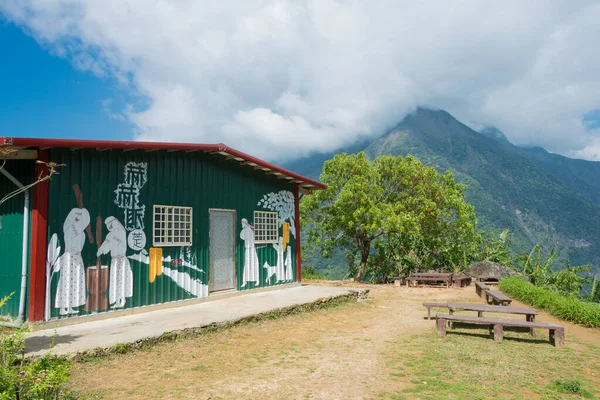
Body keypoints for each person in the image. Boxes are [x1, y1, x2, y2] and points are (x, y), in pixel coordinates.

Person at [54, 208, 90, 315]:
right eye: (76, 216)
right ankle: (62, 307)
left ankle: (70, 306)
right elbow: (69, 242)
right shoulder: (69, 229)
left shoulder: (82, 234)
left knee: (76, 283)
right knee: (66, 282)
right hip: (69, 258)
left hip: (78, 258)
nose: (78, 218)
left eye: (80, 217)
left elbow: (81, 246)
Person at [97, 216, 133, 308]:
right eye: (108, 225)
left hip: (121, 260)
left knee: (121, 280)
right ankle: (117, 301)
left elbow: (112, 243)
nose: (110, 226)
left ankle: (122, 300)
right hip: (114, 260)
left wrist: (103, 250)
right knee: (115, 281)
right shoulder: (110, 234)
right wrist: (100, 249)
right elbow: (106, 242)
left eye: (111, 223)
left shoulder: (121, 232)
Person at [240, 218, 260, 287]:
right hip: (248, 249)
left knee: (254, 264)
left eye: (242, 222)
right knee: (248, 265)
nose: (242, 224)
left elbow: (242, 236)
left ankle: (257, 280)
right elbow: (242, 236)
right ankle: (245, 281)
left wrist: (249, 227)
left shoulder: (249, 230)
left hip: (251, 249)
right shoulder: (246, 230)